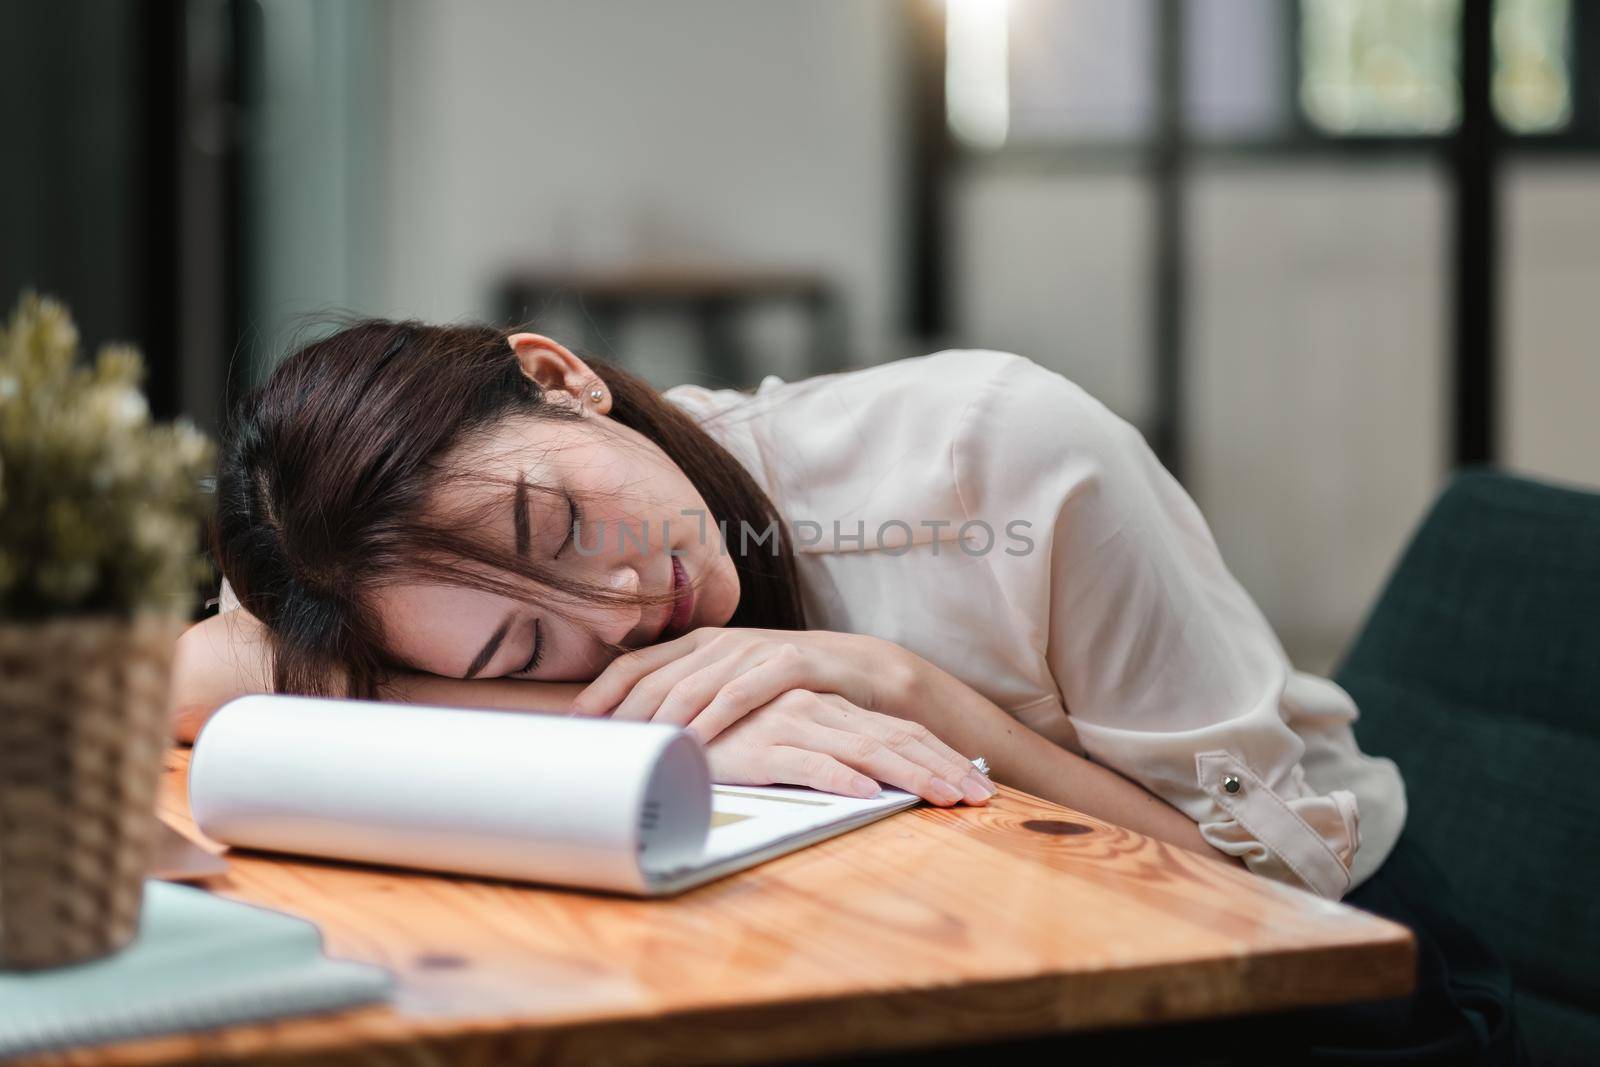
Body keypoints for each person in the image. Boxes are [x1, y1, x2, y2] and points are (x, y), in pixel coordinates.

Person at [174, 320, 1520, 1064]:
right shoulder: (375, 587)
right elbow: (162, 688)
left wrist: (897, 687)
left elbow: (1276, 910)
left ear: (561, 379)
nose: (619, 611)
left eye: (560, 529)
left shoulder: (987, 456)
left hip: (1339, 994)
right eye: (521, 656)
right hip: (975, 967)